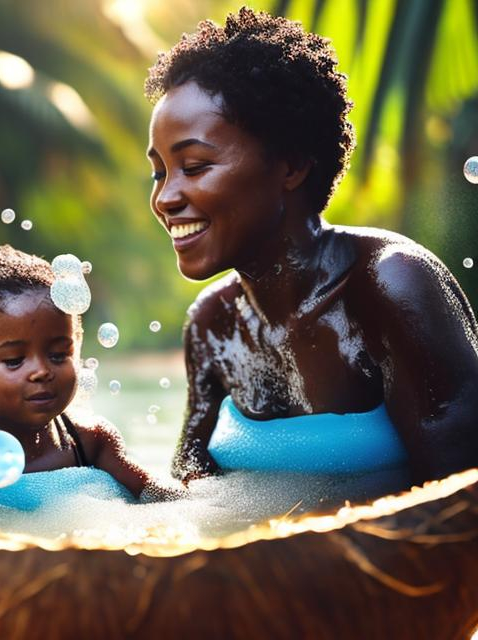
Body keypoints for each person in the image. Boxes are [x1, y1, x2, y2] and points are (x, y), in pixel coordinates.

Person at [144, 8, 478, 487]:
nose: (165, 197)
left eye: (193, 166)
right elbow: (185, 495)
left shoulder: (389, 286)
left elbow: (461, 505)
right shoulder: (212, 325)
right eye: (160, 173)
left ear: (291, 165)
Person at [0, 245, 181, 513]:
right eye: (14, 360)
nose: (42, 371)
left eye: (58, 354)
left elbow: (149, 489)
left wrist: (197, 501)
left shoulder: (89, 440)